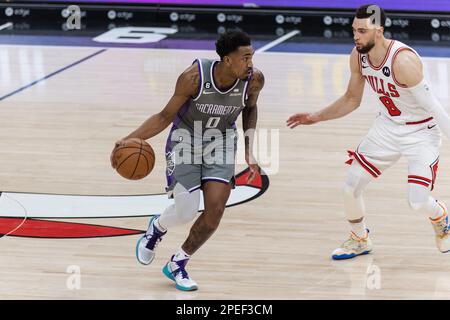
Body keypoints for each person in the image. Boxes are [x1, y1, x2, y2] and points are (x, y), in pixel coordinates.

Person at [287, 4, 450, 259]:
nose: (356, 36)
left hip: (421, 132)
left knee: (417, 201)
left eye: (362, 31)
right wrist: (315, 117)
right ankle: (360, 238)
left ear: (379, 31)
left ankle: (440, 215)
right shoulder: (358, 55)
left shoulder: (403, 61)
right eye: (354, 30)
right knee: (350, 188)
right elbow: (352, 99)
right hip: (387, 128)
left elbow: (434, 107)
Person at [111, 31, 264, 290]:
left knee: (215, 211)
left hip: (222, 141)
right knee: (187, 211)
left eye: (252, 56)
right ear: (227, 60)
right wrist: (128, 139)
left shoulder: (254, 80)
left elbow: (249, 108)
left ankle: (178, 262)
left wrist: (249, 150)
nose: (250, 63)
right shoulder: (192, 78)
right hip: (186, 139)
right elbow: (164, 116)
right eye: (245, 58)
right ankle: (157, 227)